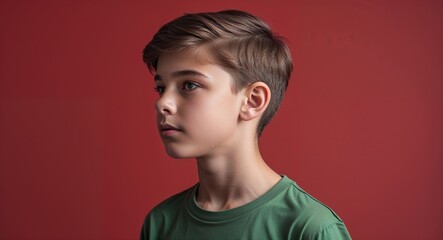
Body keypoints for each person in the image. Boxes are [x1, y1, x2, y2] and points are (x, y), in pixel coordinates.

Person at [140, 10, 351, 240]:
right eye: (161, 88)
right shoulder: (160, 223)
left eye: (189, 85)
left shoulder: (309, 228)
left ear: (253, 101)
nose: (163, 103)